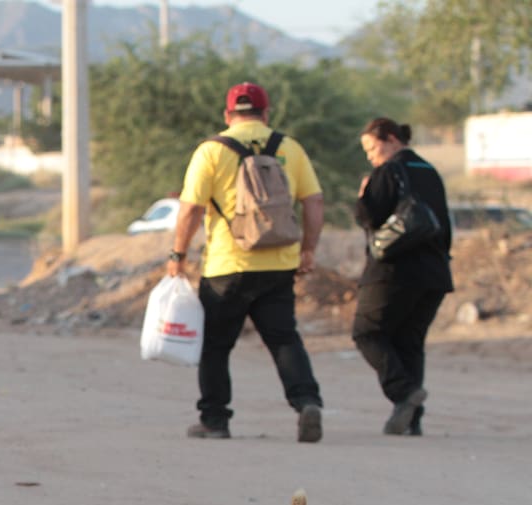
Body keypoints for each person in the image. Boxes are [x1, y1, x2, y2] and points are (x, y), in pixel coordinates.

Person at [168, 82, 325, 442]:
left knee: (216, 347)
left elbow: (191, 208)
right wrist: (308, 250)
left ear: (228, 115)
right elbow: (314, 202)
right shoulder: (289, 147)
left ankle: (215, 420)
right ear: (266, 114)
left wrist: (178, 254)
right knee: (284, 339)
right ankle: (307, 403)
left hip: (228, 265)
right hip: (279, 263)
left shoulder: (211, 150)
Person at [353, 118, 453, 436]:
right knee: (410, 342)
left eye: (372, 147)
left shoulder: (389, 171)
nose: (370, 156)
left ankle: (403, 393)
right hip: (434, 273)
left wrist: (364, 194)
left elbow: (368, 216)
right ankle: (412, 419)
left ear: (392, 139)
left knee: (367, 332)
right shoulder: (430, 172)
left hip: (394, 271)